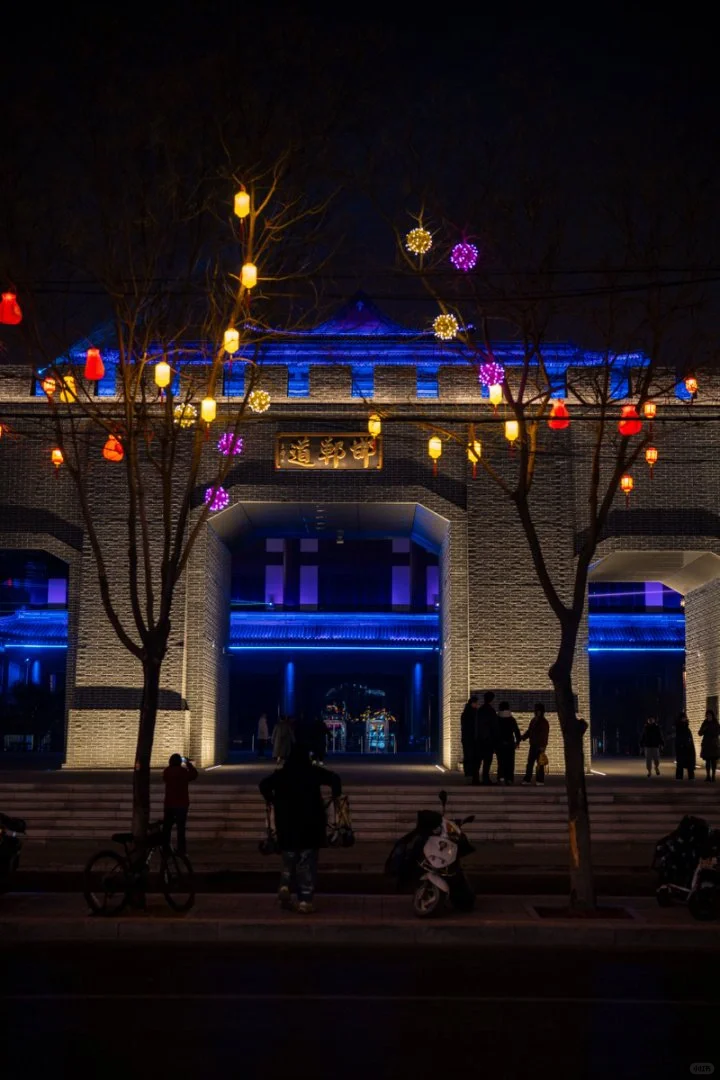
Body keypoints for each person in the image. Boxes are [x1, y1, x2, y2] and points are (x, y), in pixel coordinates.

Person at [259, 742, 342, 913]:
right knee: (307, 862)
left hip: (287, 824)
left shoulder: (282, 774)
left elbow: (264, 785)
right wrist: (335, 795)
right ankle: (305, 900)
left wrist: (273, 799)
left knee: (289, 858)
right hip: (310, 825)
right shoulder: (313, 772)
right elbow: (335, 779)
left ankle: (285, 885)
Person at [162, 753, 198, 855]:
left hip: (169, 804)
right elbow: (194, 774)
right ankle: (181, 850)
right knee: (180, 828)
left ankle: (166, 849)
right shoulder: (183, 772)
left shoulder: (167, 771)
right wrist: (188, 764)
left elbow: (165, 778)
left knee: (167, 828)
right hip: (182, 804)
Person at [521, 703, 549, 786]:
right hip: (533, 745)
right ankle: (528, 779)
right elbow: (530, 731)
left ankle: (539, 780)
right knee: (530, 763)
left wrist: (543, 746)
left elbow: (544, 735)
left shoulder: (543, 722)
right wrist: (523, 737)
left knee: (539, 763)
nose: (536, 712)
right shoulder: (534, 720)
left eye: (537, 710)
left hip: (539, 746)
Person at [475, 691, 499, 785]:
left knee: (478, 760)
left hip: (480, 739)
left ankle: (476, 778)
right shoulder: (491, 711)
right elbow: (494, 726)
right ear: (492, 699)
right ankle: (485, 778)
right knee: (487, 760)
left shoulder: (480, 710)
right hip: (488, 739)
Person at [496, 701, 521, 784]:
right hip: (510, 743)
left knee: (501, 762)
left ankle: (501, 777)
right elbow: (517, 731)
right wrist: (518, 741)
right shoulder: (511, 719)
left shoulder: (497, 719)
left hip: (499, 743)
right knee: (510, 762)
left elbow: (494, 732)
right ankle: (509, 778)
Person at [460, 695, 480, 784]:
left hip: (466, 738)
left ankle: (468, 773)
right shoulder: (474, 713)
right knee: (472, 756)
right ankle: (471, 773)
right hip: (472, 738)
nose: (477, 705)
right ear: (472, 703)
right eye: (476, 703)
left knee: (468, 756)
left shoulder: (465, 713)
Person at [699, 709, 720, 782]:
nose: (708, 716)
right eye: (707, 715)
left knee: (713, 761)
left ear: (712, 716)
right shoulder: (705, 723)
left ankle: (713, 776)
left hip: (713, 745)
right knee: (707, 762)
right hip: (707, 745)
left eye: (710, 715)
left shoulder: (715, 723)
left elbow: (718, 731)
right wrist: (704, 729)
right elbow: (700, 733)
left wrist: (714, 734)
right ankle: (708, 776)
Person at [674, 711, 696, 780]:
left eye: (685, 718)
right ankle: (679, 778)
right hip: (681, 748)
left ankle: (691, 777)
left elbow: (690, 738)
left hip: (688, 748)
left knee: (689, 763)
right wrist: (681, 745)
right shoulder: (678, 728)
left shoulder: (687, 728)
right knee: (680, 764)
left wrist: (690, 744)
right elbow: (678, 738)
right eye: (683, 718)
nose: (684, 719)